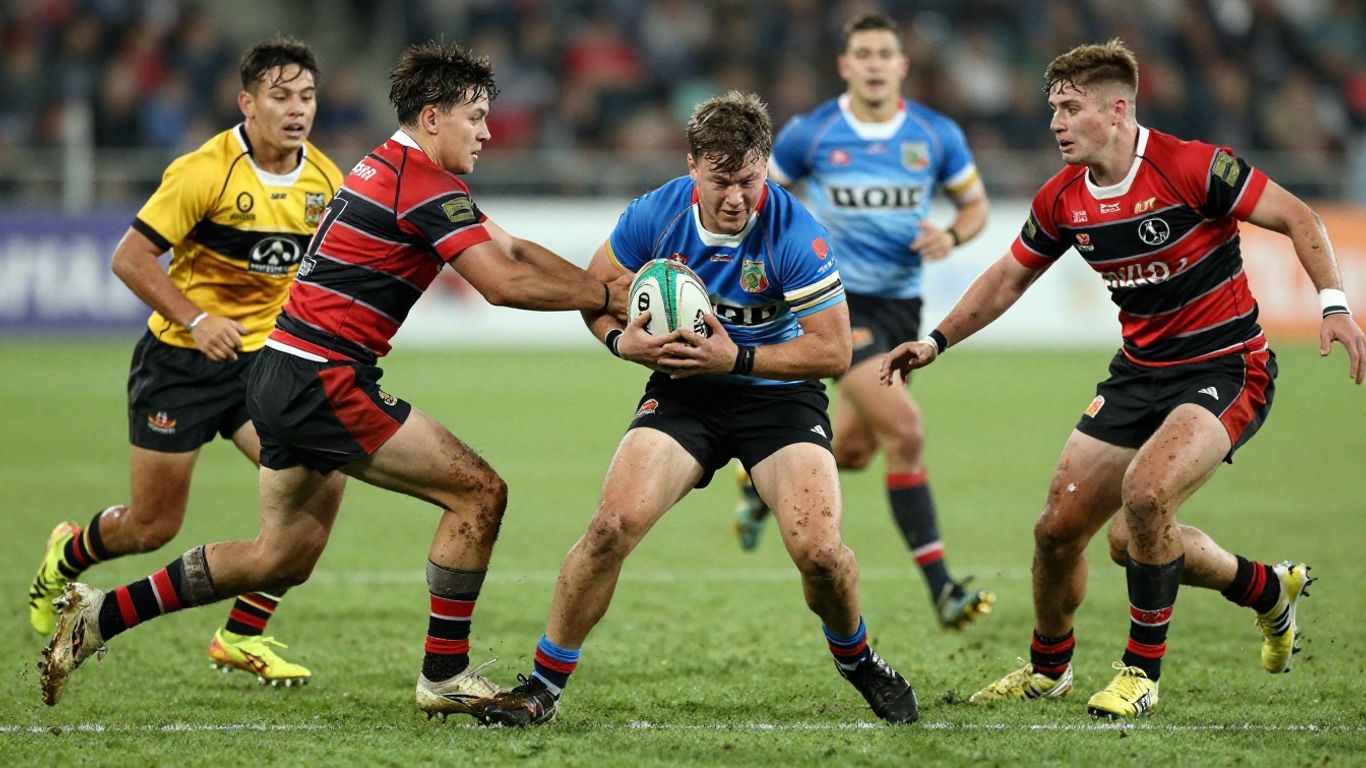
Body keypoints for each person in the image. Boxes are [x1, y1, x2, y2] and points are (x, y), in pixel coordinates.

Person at [39, 40, 629, 717]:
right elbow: (498, 282)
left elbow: (515, 249)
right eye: (476, 117)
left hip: (280, 373)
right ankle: (445, 675)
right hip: (324, 379)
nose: (488, 132)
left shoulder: (393, 166)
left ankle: (100, 615)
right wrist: (603, 300)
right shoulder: (421, 184)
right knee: (479, 495)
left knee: (277, 559)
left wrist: (600, 289)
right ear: (432, 118)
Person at [881, 39, 1364, 719]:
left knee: (1145, 499)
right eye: (1052, 107)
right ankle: (1072, 662)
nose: (1055, 122)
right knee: (1060, 532)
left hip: (1227, 367)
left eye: (1070, 108)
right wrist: (936, 341)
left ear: (1116, 110)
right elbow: (1006, 279)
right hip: (1139, 375)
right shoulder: (1064, 198)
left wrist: (1334, 306)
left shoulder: (1190, 166)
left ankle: (1141, 674)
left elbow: (1299, 216)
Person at [476, 91, 920, 728]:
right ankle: (543, 686)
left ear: (766, 166)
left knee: (820, 553)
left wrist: (734, 359)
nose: (737, 197)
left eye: (750, 180)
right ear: (693, 167)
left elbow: (830, 351)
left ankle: (858, 660)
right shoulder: (653, 215)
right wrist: (618, 339)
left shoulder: (796, 232)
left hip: (778, 400)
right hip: (686, 393)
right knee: (609, 529)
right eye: (721, 181)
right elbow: (595, 295)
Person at [26, 36, 342, 686]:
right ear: (247, 103)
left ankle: (240, 633)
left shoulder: (326, 181)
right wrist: (196, 321)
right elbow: (129, 258)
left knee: (320, 480)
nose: (296, 109)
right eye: (280, 96)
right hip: (180, 364)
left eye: (306, 96)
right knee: (151, 526)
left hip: (259, 368)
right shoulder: (205, 171)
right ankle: (68, 551)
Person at [732, 11, 995, 630]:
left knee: (851, 447)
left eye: (886, 54)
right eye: (864, 54)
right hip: (834, 305)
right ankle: (943, 588)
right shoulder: (811, 132)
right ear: (846, 66)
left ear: (902, 65)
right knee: (905, 431)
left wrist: (953, 234)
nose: (876, 64)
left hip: (902, 308)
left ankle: (754, 481)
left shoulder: (935, 134)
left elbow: (976, 205)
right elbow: (763, 198)